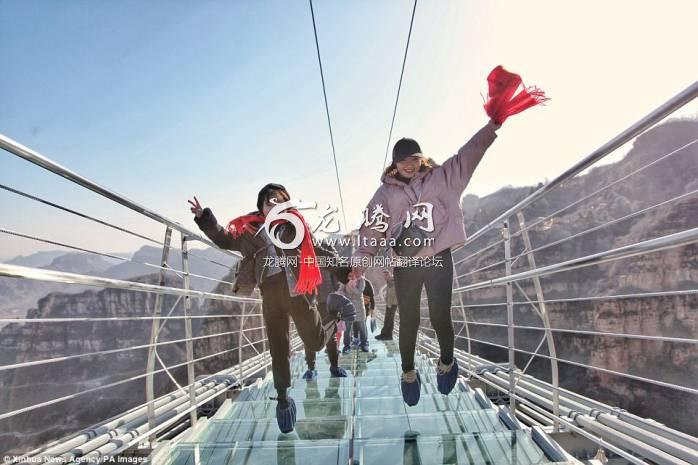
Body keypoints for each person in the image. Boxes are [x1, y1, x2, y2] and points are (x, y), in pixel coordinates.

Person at [352, 120, 500, 406]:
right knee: (409, 320)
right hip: (406, 263)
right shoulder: (384, 194)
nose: (409, 164)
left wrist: (492, 124)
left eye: (414, 159)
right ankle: (408, 373)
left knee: (439, 315)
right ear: (394, 164)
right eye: (403, 160)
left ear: (421, 159)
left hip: (437, 257)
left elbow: (468, 155)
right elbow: (372, 228)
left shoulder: (442, 177)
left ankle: (446, 362)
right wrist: (359, 261)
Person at [188, 184, 353, 433]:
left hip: (298, 292)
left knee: (316, 342)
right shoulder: (250, 231)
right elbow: (224, 239)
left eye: (279, 201)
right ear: (261, 207)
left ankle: (333, 313)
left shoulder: (295, 227)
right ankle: (283, 399)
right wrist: (204, 217)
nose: (274, 205)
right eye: (269, 202)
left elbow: (317, 251)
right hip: (271, 295)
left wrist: (340, 269)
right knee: (278, 348)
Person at [336, 268, 369, 353]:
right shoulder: (345, 281)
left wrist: (351, 286)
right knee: (347, 329)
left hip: (359, 307)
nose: (351, 275)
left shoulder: (361, 280)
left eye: (353, 273)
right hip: (348, 308)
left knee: (362, 326)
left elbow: (359, 292)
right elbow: (340, 291)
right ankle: (347, 346)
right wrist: (342, 294)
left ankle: (364, 344)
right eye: (350, 274)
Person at [375, 269, 398, 341]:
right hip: (391, 303)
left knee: (389, 320)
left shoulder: (392, 281)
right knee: (388, 319)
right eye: (384, 275)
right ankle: (385, 334)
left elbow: (392, 293)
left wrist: (389, 304)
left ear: (389, 275)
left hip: (392, 303)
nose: (384, 277)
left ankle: (387, 335)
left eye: (386, 275)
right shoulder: (390, 281)